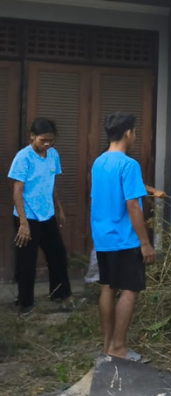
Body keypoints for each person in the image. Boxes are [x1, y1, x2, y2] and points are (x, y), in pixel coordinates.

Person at [91, 111, 156, 362]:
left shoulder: (99, 162)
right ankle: (118, 347)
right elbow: (132, 206)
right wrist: (145, 243)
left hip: (103, 237)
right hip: (125, 239)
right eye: (135, 132)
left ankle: (108, 344)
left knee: (108, 287)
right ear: (128, 133)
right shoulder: (129, 165)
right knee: (130, 289)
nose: (135, 136)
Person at [8, 118, 73, 316]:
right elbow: (17, 190)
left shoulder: (53, 154)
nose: (47, 144)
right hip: (27, 217)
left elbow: (51, 183)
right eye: (43, 140)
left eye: (50, 140)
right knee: (27, 262)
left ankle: (61, 295)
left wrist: (59, 208)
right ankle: (25, 304)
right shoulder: (23, 157)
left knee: (58, 255)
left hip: (47, 214)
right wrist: (23, 223)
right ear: (32, 137)